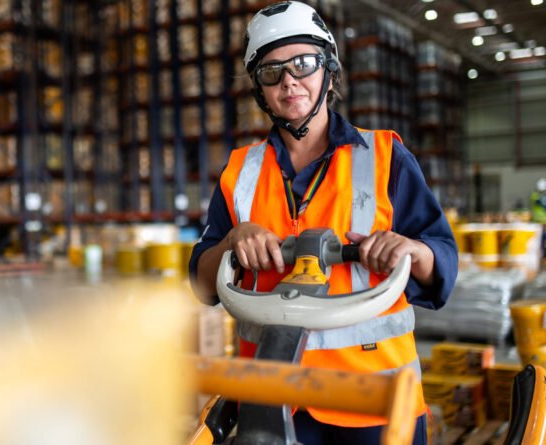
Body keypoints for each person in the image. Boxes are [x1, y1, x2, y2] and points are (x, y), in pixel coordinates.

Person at [188, 2, 458, 444]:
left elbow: (441, 259)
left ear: (329, 72)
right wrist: (232, 242)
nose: (289, 80)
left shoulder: (386, 158)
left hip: (374, 402)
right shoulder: (241, 172)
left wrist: (412, 252)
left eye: (303, 64)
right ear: (259, 89)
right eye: (271, 71)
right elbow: (201, 284)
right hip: (271, 402)